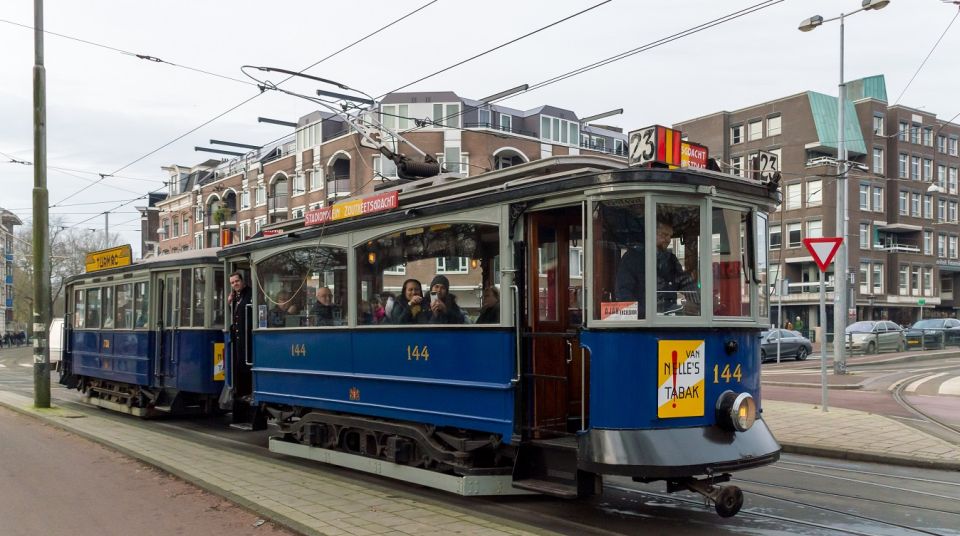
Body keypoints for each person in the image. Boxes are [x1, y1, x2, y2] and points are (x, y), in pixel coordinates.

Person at [615, 219, 699, 314]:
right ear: (651, 234)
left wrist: (697, 302)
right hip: (643, 322)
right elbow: (623, 293)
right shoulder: (632, 258)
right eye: (664, 235)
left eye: (670, 236)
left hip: (668, 319)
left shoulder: (671, 259)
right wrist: (640, 315)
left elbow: (685, 282)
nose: (668, 240)